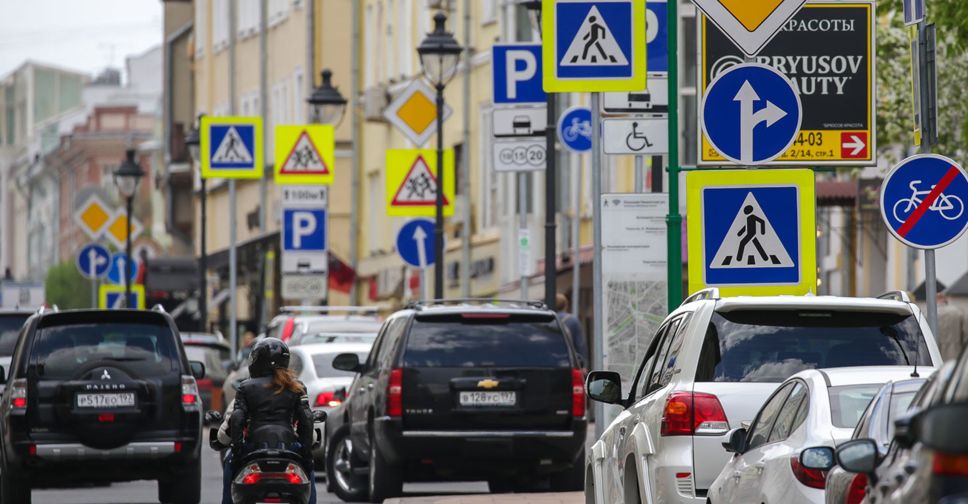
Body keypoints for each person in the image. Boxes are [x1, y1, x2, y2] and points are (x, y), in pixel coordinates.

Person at [218, 338, 316, 504]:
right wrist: (306, 452)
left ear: (256, 360)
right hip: (289, 446)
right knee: (309, 469)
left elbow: (237, 418)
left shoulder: (245, 386)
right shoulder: (297, 387)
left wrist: (237, 448)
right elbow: (306, 419)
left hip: (253, 447)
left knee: (229, 460)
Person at [556, 293, 588, 368]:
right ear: (566, 305)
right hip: (569, 362)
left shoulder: (548, 319)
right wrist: (583, 366)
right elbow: (580, 344)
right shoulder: (573, 320)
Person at [936, 293, 967, 362]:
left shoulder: (928, 314)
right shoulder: (958, 312)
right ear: (945, 299)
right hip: (955, 353)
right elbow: (965, 335)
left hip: (935, 355)